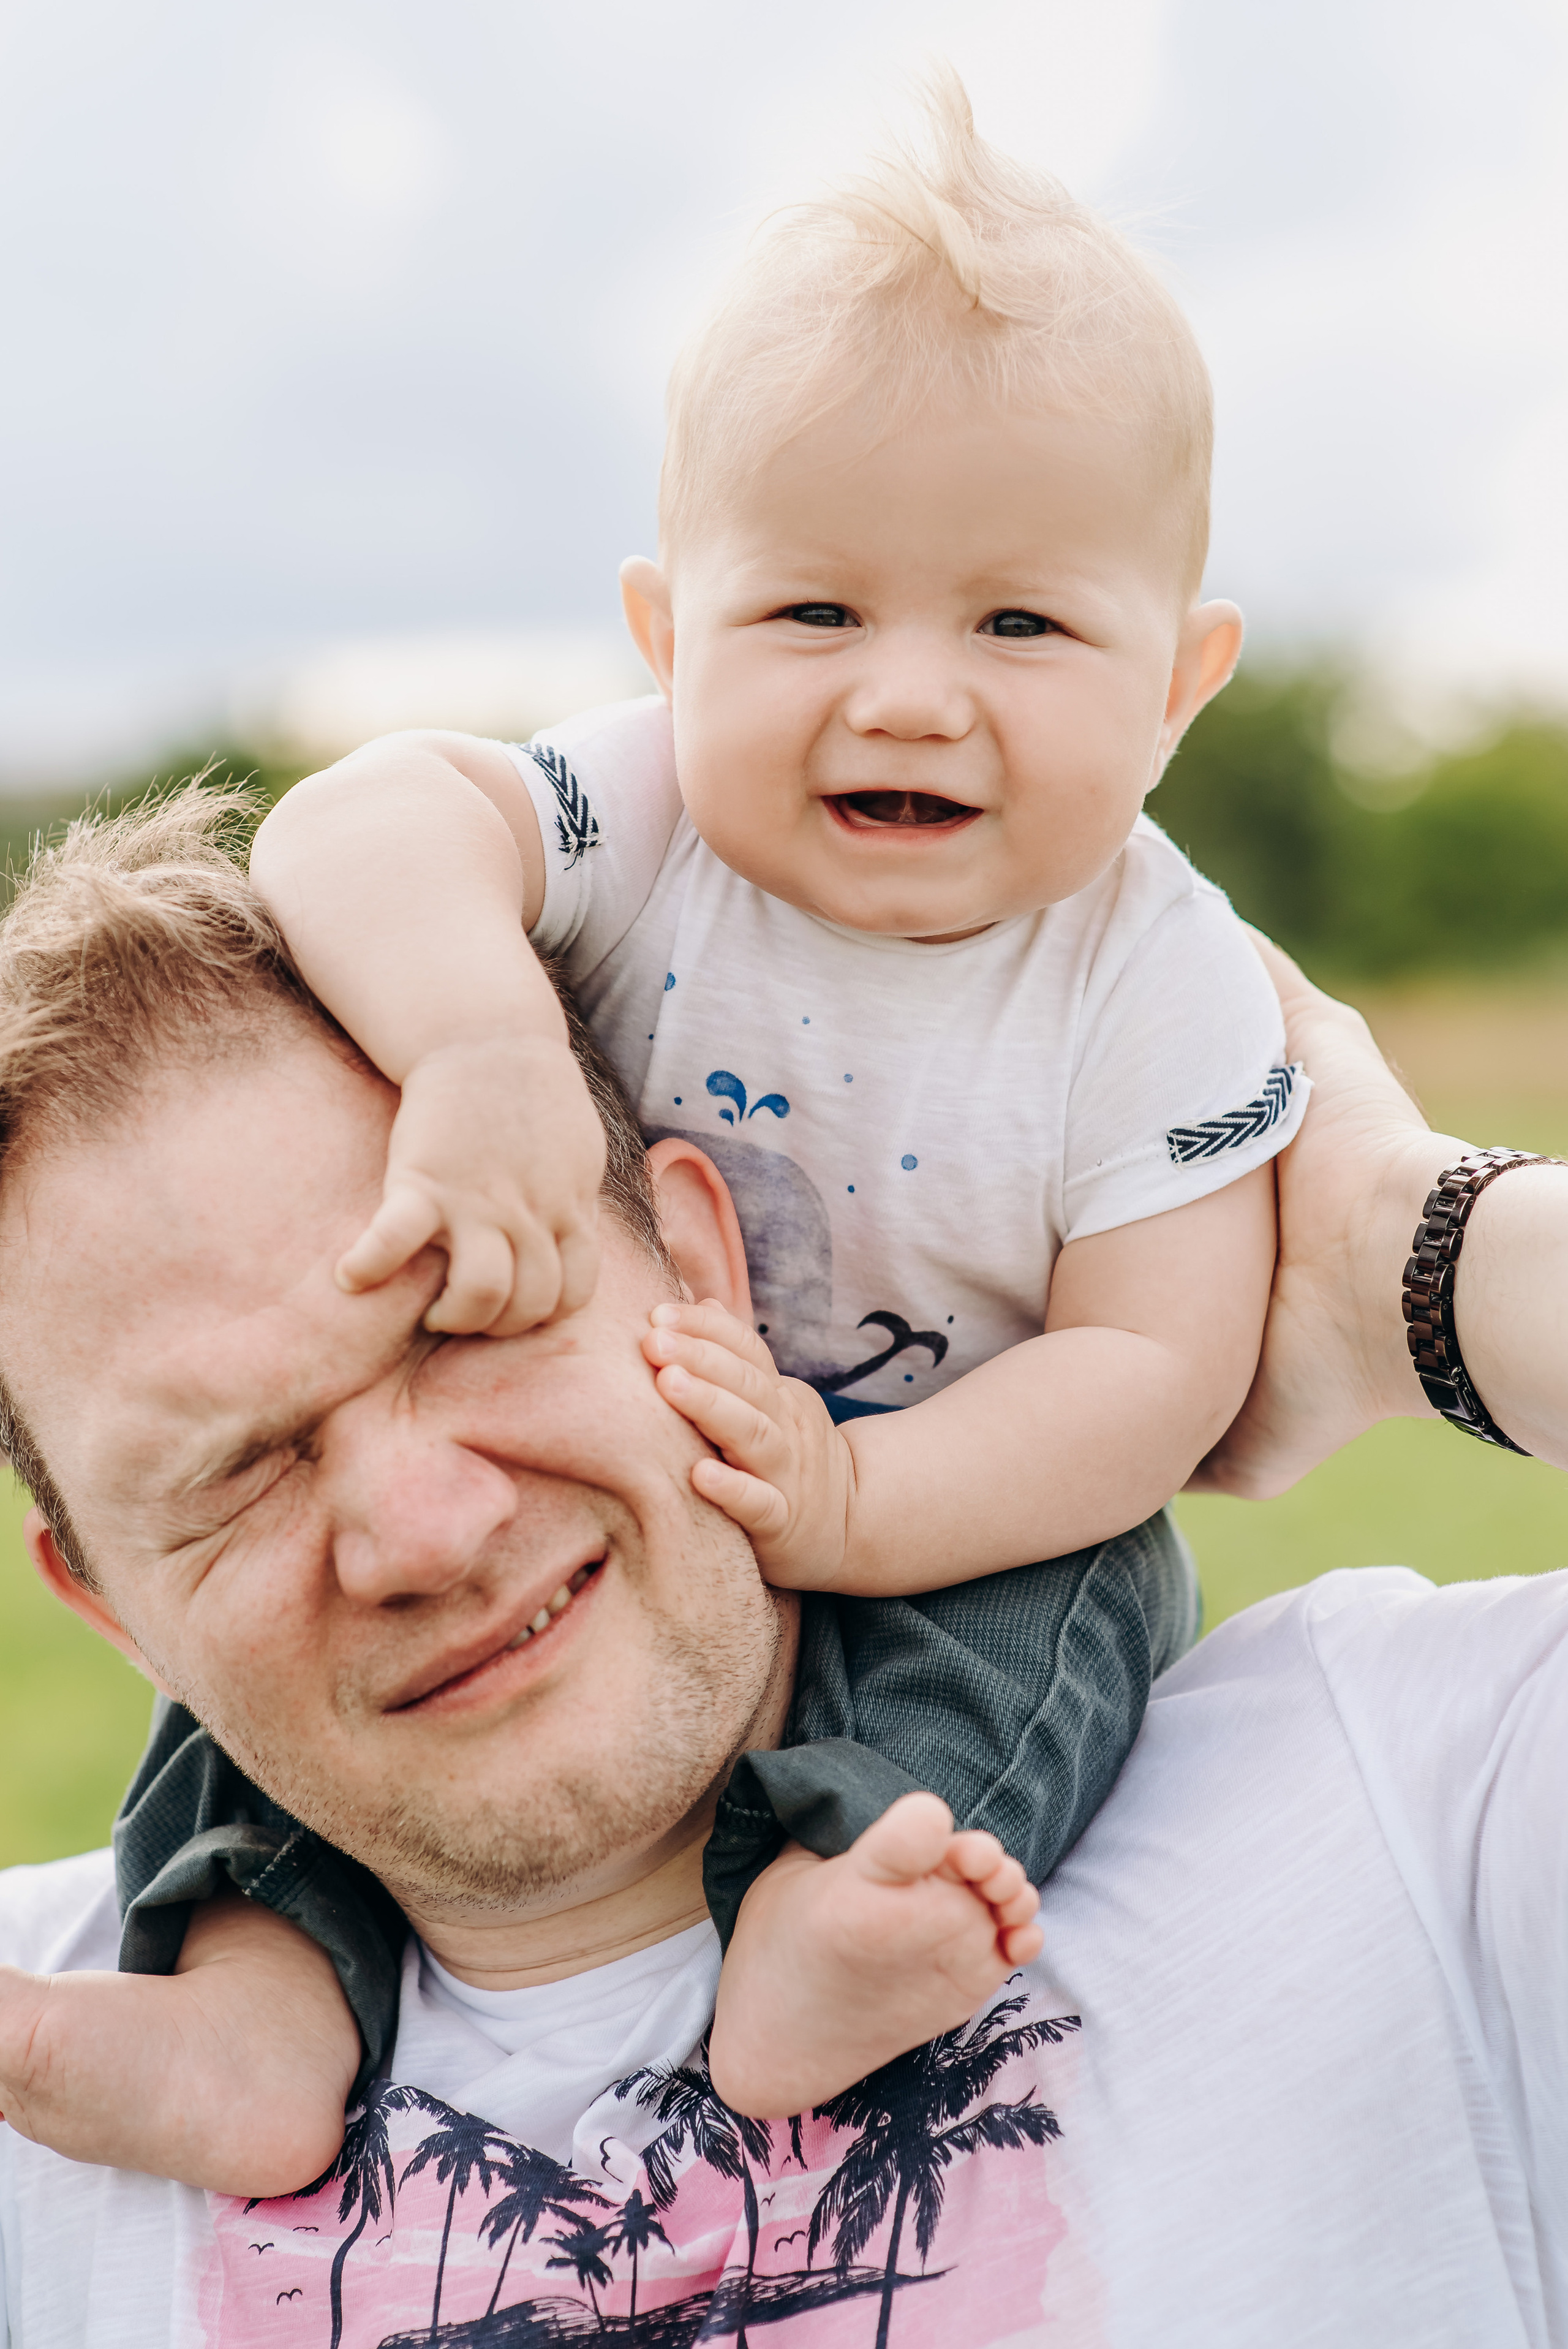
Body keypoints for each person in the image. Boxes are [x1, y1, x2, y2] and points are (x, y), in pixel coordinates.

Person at [94, 73, 1300, 2175]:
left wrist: (851, 1507)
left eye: (1021, 621)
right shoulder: (649, 816)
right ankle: (236, 2019)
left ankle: (821, 1927)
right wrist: (474, 1038)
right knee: (268, 1659)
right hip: (616, 1446)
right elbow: (356, 822)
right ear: (670, 635)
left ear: (1180, 680)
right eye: (813, 612)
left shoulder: (1156, 973)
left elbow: (1156, 1367)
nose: (908, 693)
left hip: (955, 1491)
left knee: (1061, 1615)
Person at [4, 788, 1568, 2347]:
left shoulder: (1409, 1809)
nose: (422, 1530)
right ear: (107, 1608)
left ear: (703, 1264)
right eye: (231, 1471)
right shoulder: (46, 2061)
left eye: (471, 1317)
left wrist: (1408, 1258)